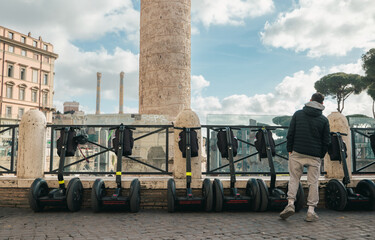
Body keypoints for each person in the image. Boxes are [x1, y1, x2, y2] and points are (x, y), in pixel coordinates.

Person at [280, 92, 330, 222]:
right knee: (313, 182)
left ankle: (290, 204)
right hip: (314, 155)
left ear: (310, 100)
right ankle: (311, 211)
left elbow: (290, 133)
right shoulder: (324, 120)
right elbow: (326, 141)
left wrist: (289, 149)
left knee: (294, 178)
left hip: (297, 152)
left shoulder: (298, 114)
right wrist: (320, 155)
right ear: (322, 104)